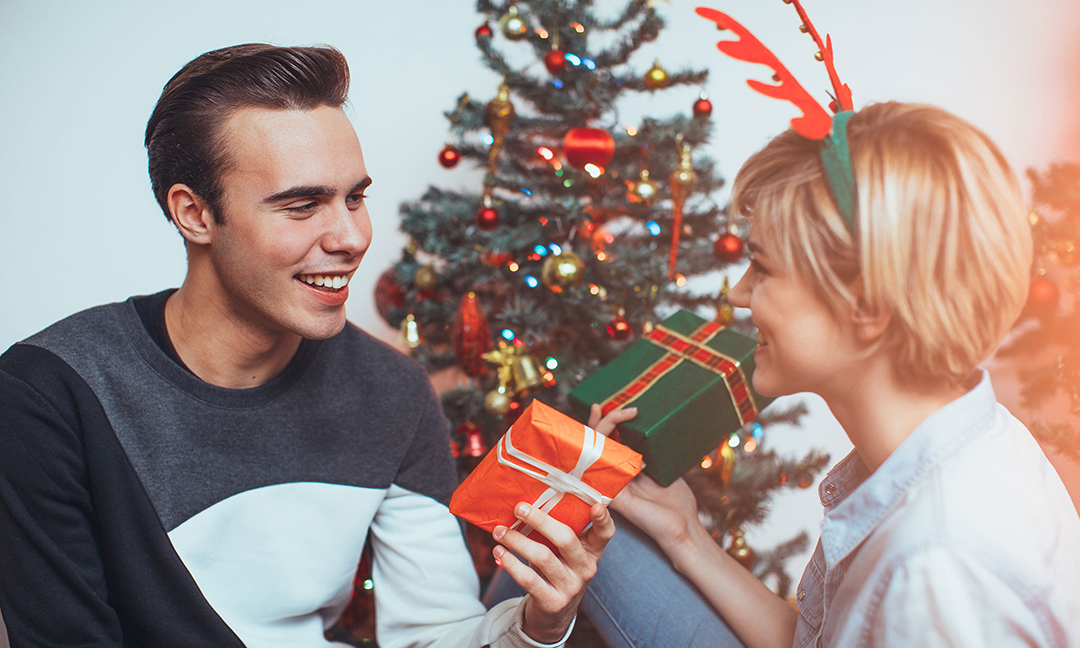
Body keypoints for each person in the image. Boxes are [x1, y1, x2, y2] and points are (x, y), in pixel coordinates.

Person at [0, 44, 613, 648]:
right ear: (194, 214)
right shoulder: (49, 394)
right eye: (301, 205)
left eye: (355, 197)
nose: (350, 237)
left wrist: (536, 629)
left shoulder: (392, 390)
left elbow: (432, 635)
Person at [580, 101, 1080, 647]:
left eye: (763, 268)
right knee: (584, 528)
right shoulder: (953, 437)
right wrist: (685, 536)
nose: (739, 295)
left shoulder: (937, 570)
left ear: (867, 307)